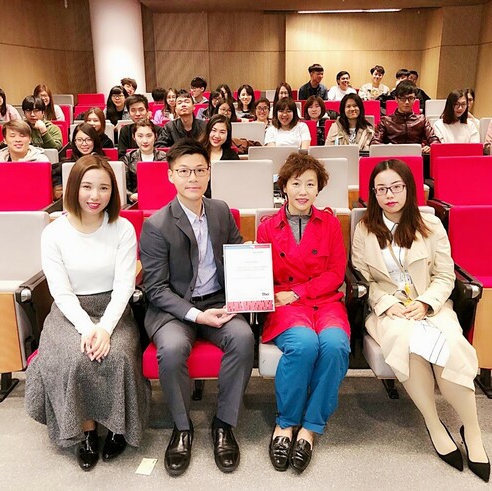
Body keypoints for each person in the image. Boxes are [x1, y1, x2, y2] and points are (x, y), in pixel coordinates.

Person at [351, 159, 490, 483]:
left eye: (396, 187)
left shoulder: (430, 225)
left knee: (452, 346)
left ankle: (472, 428)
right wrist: (385, 303)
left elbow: (444, 275)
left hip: (431, 305)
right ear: (373, 193)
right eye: (382, 189)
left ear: (408, 189)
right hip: (389, 310)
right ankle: (432, 421)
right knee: (406, 344)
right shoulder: (364, 229)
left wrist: (427, 303)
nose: (389, 195)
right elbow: (362, 278)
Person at [26, 155, 150, 471]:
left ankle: (120, 428)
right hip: (70, 312)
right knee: (76, 357)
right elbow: (61, 291)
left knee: (118, 355)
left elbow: (125, 285)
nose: (95, 196)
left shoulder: (122, 228)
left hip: (113, 309)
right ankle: (86, 432)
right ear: (73, 189)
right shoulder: (54, 232)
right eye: (87, 187)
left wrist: (106, 328)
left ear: (113, 192)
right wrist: (87, 328)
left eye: (104, 188)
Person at [139, 139, 255, 477]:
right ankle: (182, 428)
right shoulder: (156, 224)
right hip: (175, 309)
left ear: (209, 173)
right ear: (170, 175)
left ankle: (223, 424)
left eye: (200, 170)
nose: (194, 177)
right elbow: (155, 288)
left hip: (218, 302)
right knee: (173, 349)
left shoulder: (220, 210)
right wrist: (196, 315)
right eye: (185, 171)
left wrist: (247, 270)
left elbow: (235, 257)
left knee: (243, 338)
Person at [257, 153, 350, 474]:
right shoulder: (267, 227)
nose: (303, 190)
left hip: (324, 301)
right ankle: (285, 423)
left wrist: (300, 291)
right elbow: (260, 275)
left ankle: (310, 427)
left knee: (336, 345)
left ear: (318, 188)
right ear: (284, 186)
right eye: (296, 183)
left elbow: (337, 271)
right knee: (304, 345)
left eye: (310, 184)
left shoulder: (331, 223)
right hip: (286, 306)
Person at [372, 81, 440, 154]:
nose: (407, 102)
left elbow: (434, 140)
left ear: (415, 99)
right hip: (392, 159)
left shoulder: (421, 119)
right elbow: (375, 143)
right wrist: (387, 147)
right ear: (396, 99)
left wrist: (430, 147)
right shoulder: (385, 121)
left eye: (410, 98)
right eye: (403, 98)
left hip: (416, 158)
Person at [0, 120, 46, 193]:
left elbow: (42, 187)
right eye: (12, 136)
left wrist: (5, 181)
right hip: (3, 201)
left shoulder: (40, 159)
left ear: (30, 139)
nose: (18, 140)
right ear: (5, 140)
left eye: (22, 136)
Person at [122, 119, 167, 202]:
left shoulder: (165, 157)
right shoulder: (128, 158)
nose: (145, 141)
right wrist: (131, 195)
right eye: (140, 136)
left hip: (161, 200)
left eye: (149, 136)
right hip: (135, 201)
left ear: (155, 136)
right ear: (134, 137)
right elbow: (122, 184)